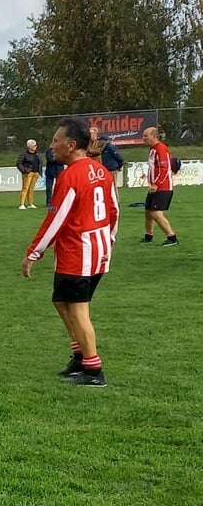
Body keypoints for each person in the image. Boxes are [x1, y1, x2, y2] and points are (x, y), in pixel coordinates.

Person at [22, 117, 120, 387]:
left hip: (79, 252)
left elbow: (56, 219)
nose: (52, 146)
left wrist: (34, 253)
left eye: (56, 141)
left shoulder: (70, 175)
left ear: (72, 145)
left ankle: (93, 370)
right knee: (61, 301)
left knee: (78, 310)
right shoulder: (100, 170)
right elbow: (114, 209)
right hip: (96, 250)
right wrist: (108, 240)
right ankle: (80, 356)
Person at [140, 125, 179, 245]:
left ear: (154, 136)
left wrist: (156, 184)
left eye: (146, 136)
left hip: (163, 187)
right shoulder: (153, 149)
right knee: (148, 212)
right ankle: (148, 236)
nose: (143, 138)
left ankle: (172, 237)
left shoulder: (161, 149)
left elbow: (165, 168)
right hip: (154, 187)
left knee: (156, 213)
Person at [16, 139, 42, 209]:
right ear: (29, 146)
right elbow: (19, 163)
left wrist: (39, 172)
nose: (36, 146)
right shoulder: (24, 154)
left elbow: (40, 163)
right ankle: (22, 204)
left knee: (31, 188)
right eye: (34, 145)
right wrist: (24, 171)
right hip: (28, 173)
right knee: (25, 188)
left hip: (36, 172)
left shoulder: (37, 153)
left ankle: (30, 203)